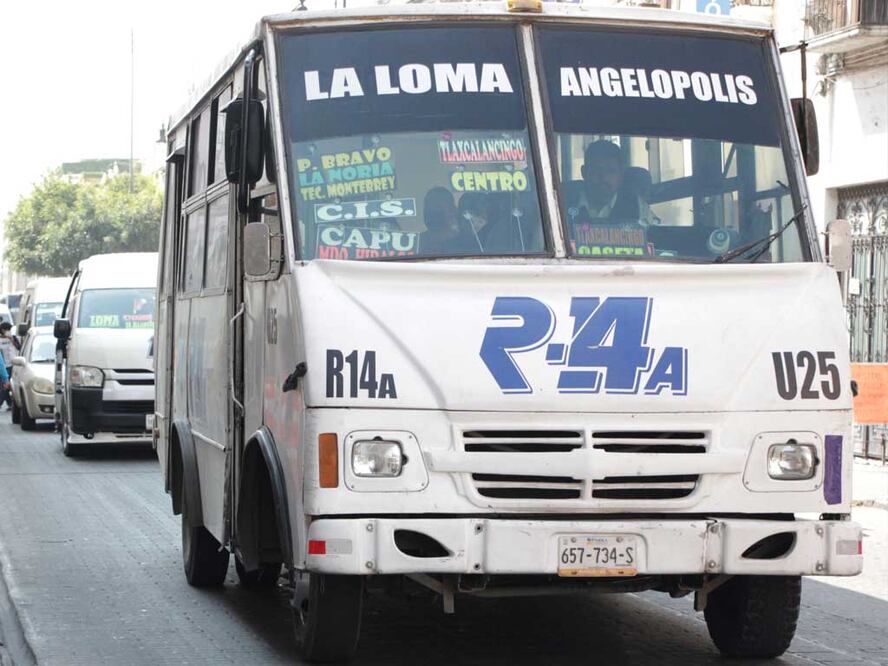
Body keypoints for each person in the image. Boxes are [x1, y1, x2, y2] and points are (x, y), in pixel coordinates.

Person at [567, 140, 654, 227]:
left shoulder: (638, 206)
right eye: (597, 169)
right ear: (584, 172)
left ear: (621, 176)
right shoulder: (564, 201)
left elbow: (652, 236)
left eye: (611, 171)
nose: (603, 177)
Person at [421, 187, 475, 256]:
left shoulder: (467, 244)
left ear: (453, 211)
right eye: (428, 209)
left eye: (437, 209)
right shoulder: (416, 242)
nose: (431, 214)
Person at [0, 322, 17, 409]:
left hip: (11, 364)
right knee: (5, 385)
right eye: (6, 330)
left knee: (7, 385)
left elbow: (18, 346)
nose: (8, 332)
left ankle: (10, 403)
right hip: (3, 365)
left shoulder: (12, 338)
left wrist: (11, 338)